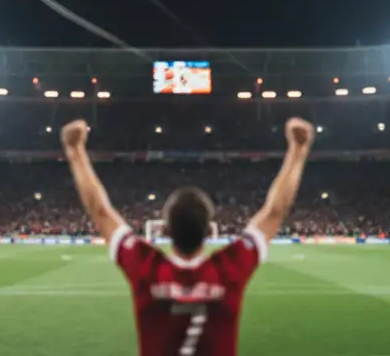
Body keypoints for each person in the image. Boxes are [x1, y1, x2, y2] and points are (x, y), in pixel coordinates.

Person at [60, 117, 315, 356]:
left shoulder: (147, 267)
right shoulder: (229, 268)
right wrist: (298, 150)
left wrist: (75, 151)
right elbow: (274, 212)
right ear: (209, 231)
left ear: (164, 229)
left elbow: (101, 211)